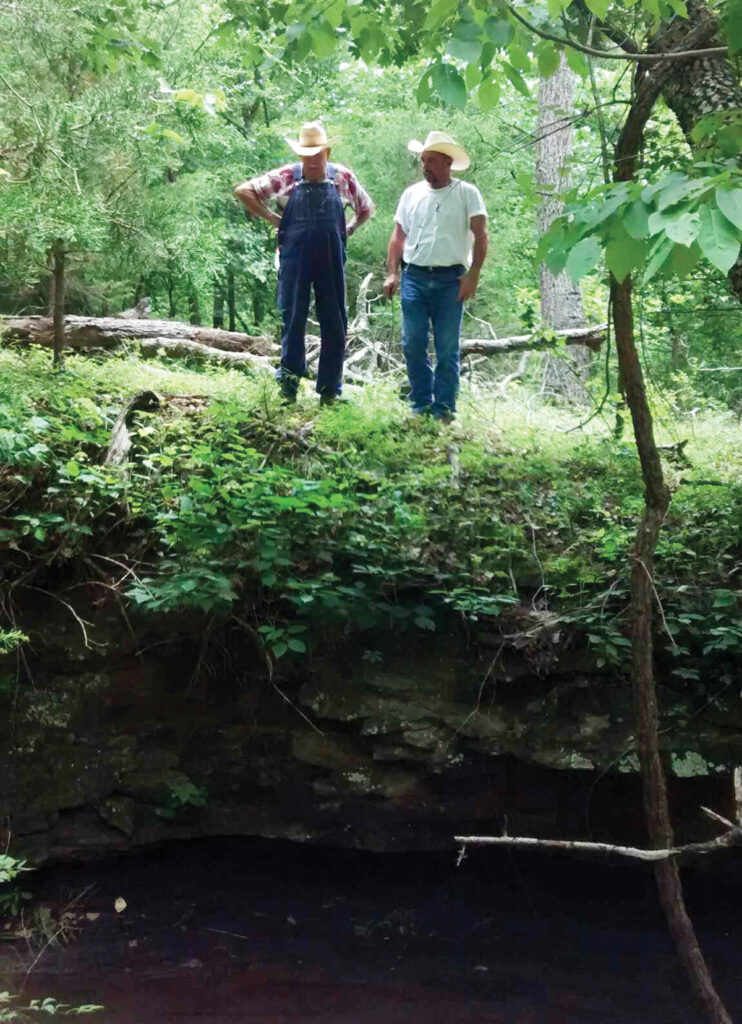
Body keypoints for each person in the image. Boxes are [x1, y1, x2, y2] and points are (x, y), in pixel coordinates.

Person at [234, 122, 373, 404]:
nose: (311, 160)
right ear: (299, 154)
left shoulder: (343, 177)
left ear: (327, 151)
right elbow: (243, 191)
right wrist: (274, 219)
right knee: (292, 318)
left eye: (317, 154)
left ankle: (330, 392)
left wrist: (349, 229)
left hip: (331, 257)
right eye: (306, 154)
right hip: (294, 257)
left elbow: (366, 208)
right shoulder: (287, 176)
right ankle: (289, 387)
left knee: (334, 321)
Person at [383, 130, 488, 422]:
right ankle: (420, 402)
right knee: (413, 341)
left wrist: (473, 275)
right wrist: (392, 273)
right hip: (414, 276)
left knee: (446, 346)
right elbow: (397, 237)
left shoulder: (467, 193)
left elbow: (481, 235)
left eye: (431, 160)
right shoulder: (412, 194)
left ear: (447, 163)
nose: (425, 166)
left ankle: (443, 408)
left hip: (451, 280)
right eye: (423, 160)